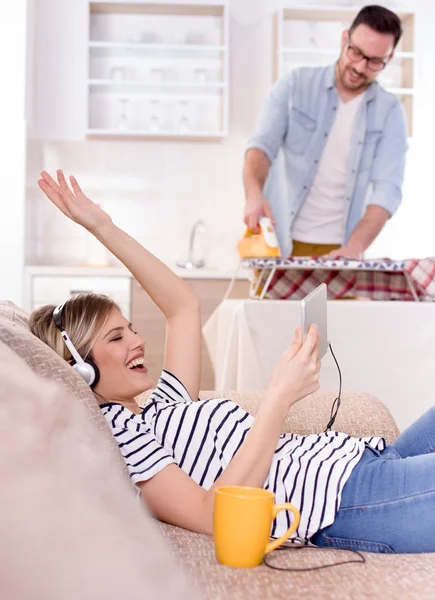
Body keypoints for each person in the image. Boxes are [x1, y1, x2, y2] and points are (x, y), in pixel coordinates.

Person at [31, 169, 435, 553]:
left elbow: (183, 307)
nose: (137, 342)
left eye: (131, 328)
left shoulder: (163, 405)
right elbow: (214, 515)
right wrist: (280, 396)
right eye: (116, 338)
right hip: (348, 501)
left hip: (368, 459)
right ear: (79, 367)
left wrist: (103, 227)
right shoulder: (119, 432)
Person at [243, 5, 407, 260]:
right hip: (280, 242)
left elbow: (388, 189)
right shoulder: (295, 85)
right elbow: (261, 147)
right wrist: (254, 194)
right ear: (344, 39)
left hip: (342, 248)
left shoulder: (390, 112)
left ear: (389, 58)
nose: (360, 67)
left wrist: (355, 247)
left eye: (374, 61)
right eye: (356, 53)